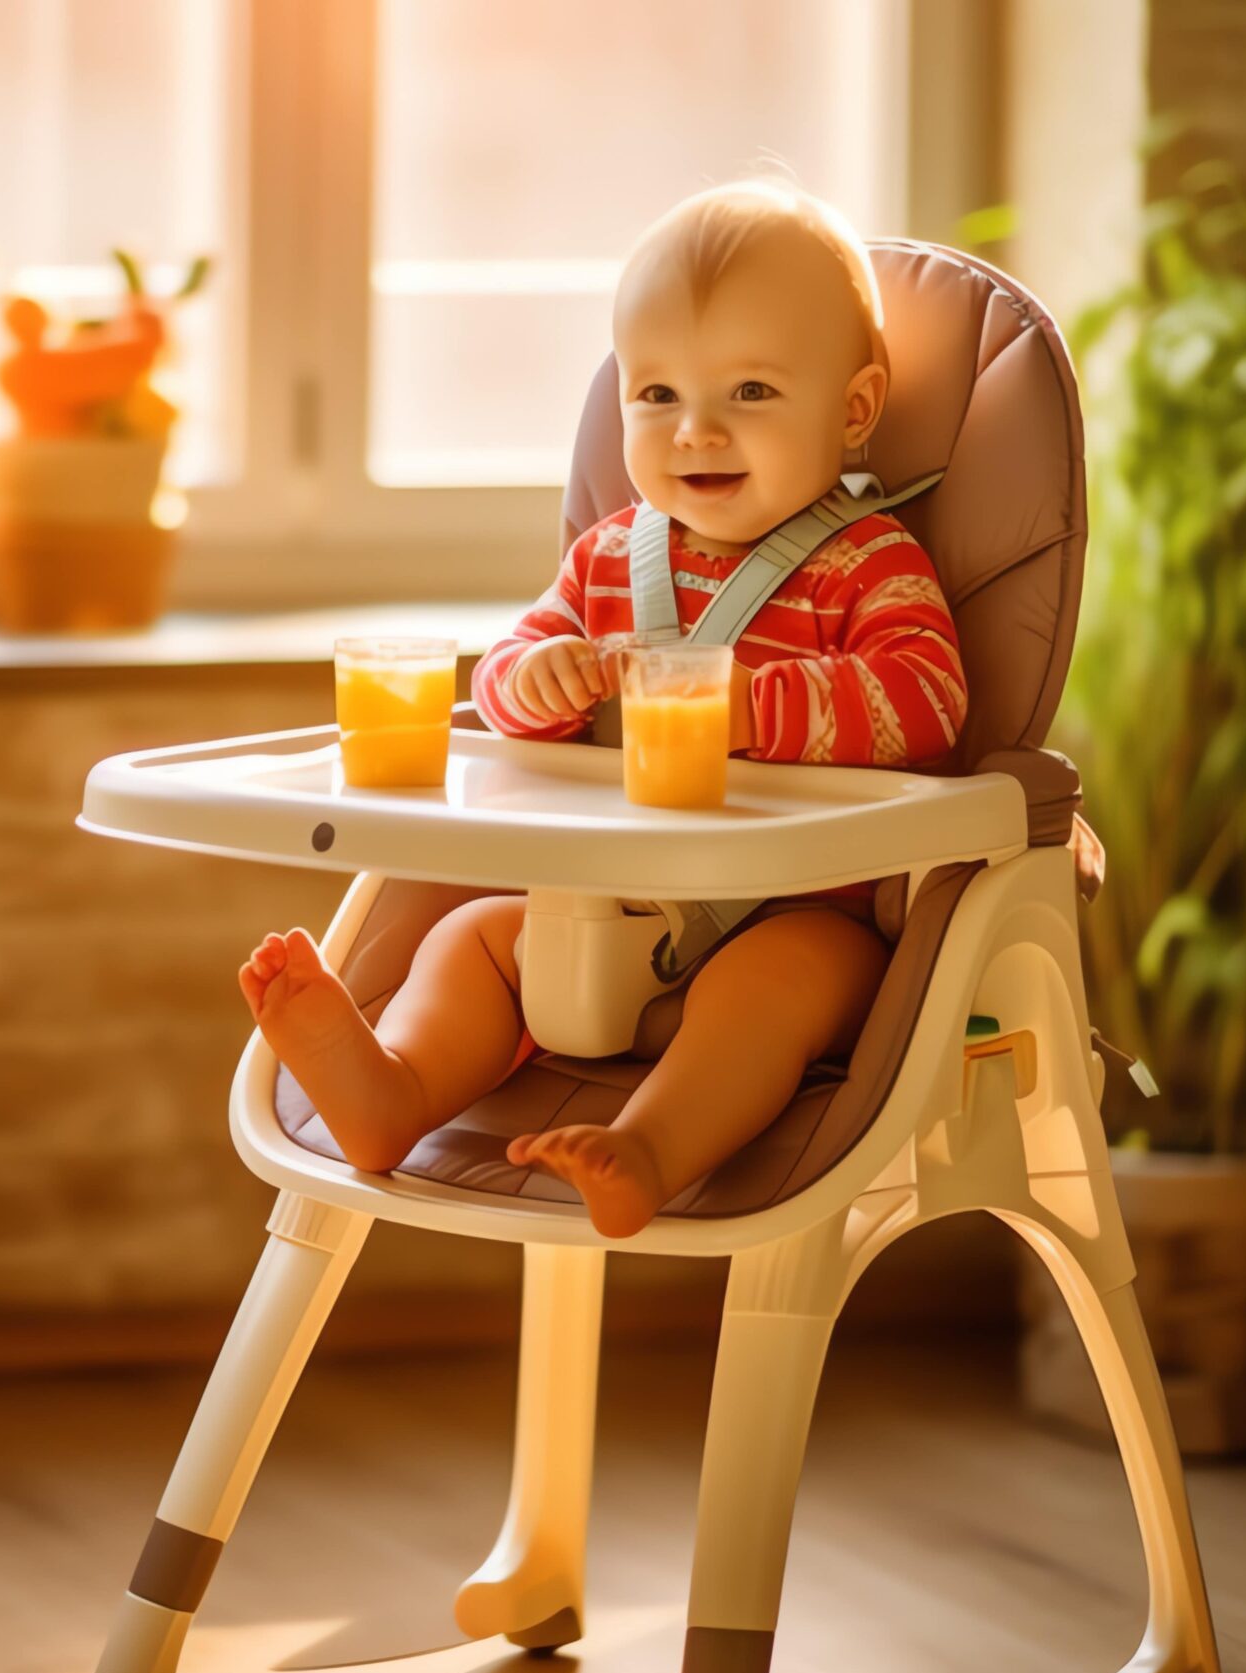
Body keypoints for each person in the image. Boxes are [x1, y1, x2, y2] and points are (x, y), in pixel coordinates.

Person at [238, 181, 967, 1238]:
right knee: (475, 942)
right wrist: (530, 682)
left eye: (750, 392)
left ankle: (649, 1146)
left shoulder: (868, 563)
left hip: (798, 906)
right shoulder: (609, 559)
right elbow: (507, 677)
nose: (694, 431)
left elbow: (925, 702)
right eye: (655, 395)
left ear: (852, 412)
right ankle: (388, 1089)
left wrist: (748, 710)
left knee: (775, 985)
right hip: (611, 910)